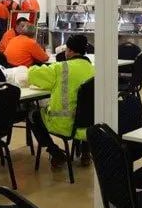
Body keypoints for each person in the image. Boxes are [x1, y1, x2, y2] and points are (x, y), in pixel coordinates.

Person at [27, 34, 95, 167]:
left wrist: (30, 68)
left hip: (65, 124)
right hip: (89, 126)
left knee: (33, 115)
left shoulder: (60, 68)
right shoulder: (93, 69)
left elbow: (34, 75)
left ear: (69, 50)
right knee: (86, 107)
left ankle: (55, 152)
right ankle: (86, 152)